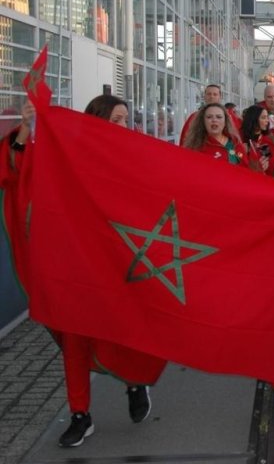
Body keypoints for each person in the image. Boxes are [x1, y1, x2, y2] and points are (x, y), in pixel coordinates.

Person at [3, 95, 166, 448]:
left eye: (126, 119)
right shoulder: (69, 152)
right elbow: (19, 172)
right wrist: (28, 127)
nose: (123, 125)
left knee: (126, 331)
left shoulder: (137, 153)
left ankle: (135, 383)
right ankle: (80, 414)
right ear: (97, 120)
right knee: (74, 340)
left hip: (118, 263)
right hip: (75, 264)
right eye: (116, 119)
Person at [181, 103, 250, 167]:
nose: (214, 120)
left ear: (225, 121)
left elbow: (245, 166)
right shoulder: (195, 146)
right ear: (203, 122)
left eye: (219, 117)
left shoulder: (235, 142)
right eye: (209, 117)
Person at [240, 104, 271, 173]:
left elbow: (268, 160)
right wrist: (242, 154)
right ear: (253, 118)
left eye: (267, 117)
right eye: (263, 117)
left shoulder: (267, 139)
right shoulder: (240, 137)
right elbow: (235, 157)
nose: (267, 120)